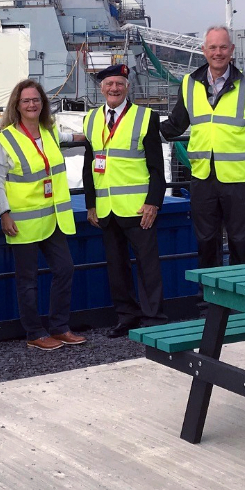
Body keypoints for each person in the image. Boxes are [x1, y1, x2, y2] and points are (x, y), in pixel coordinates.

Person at [160, 25, 245, 276]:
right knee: (206, 243)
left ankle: (241, 301)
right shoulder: (190, 84)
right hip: (203, 178)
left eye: (223, 47)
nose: (218, 52)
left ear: (231, 50)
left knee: (240, 242)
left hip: (239, 179)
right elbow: (176, 123)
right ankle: (210, 302)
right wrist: (144, 131)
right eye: (212, 47)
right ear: (204, 51)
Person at [0, 79, 85, 351]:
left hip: (52, 217)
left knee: (65, 268)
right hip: (21, 220)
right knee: (28, 280)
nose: (32, 105)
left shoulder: (49, 132)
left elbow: (65, 140)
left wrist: (86, 137)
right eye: (26, 101)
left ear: (43, 104)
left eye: (36, 100)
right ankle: (34, 332)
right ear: (17, 106)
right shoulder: (6, 138)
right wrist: (4, 213)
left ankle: (59, 327)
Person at [82, 64, 168, 337]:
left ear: (127, 86)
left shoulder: (145, 117)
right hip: (106, 209)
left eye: (119, 84)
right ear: (101, 88)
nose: (114, 89)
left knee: (148, 266)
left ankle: (153, 318)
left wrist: (154, 202)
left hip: (138, 207)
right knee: (116, 267)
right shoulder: (91, 119)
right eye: (109, 84)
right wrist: (90, 204)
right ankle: (126, 316)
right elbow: (88, 164)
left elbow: (157, 166)